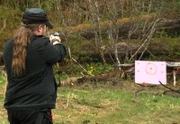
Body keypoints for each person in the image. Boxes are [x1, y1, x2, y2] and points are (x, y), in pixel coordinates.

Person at [2, 8, 66, 124]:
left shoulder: (9, 46)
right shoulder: (41, 45)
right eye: (45, 27)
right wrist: (56, 42)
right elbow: (59, 54)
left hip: (14, 108)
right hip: (36, 109)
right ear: (40, 28)